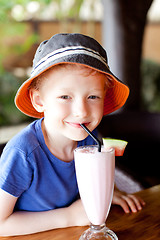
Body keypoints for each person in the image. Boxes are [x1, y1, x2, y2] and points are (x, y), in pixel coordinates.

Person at [0, 33, 145, 236]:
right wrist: (68, 216)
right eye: (65, 96)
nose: (82, 111)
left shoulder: (90, 138)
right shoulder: (23, 153)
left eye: (93, 96)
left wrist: (113, 192)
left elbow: (96, 175)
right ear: (39, 100)